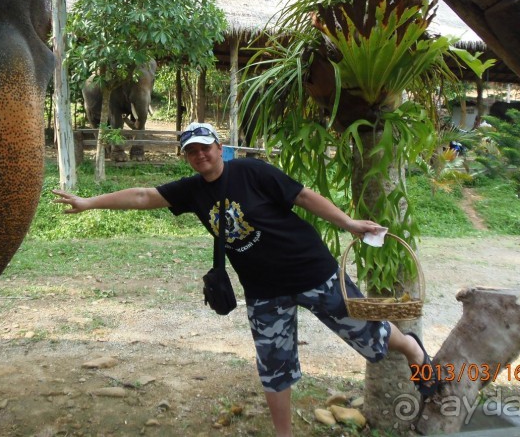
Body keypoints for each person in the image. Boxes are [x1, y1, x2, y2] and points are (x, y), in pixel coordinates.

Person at [53, 121, 439, 437]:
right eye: (191, 150)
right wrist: (88, 203)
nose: (200, 155)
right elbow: (141, 196)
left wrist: (348, 223)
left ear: (219, 148)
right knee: (273, 366)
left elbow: (303, 197)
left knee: (369, 334)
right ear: (186, 157)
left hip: (311, 270)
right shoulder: (190, 191)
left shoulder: (252, 171)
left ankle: (415, 352)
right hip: (264, 291)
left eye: (205, 147)